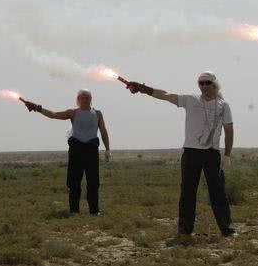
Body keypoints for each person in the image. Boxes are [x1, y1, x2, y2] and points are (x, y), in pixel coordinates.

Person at [125, 72, 236, 244]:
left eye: (208, 83)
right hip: (191, 153)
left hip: (212, 154)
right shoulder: (190, 100)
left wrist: (227, 155)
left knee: (217, 193)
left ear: (214, 84)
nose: (204, 86)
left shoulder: (223, 105)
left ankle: (227, 229)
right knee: (187, 193)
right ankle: (184, 231)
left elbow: (229, 130)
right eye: (201, 83)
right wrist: (143, 88)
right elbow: (165, 95)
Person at [20, 89, 110, 216]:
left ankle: (94, 211)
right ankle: (74, 211)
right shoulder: (72, 113)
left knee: (93, 182)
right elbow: (53, 115)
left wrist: (107, 149)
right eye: (83, 97)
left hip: (91, 149)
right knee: (74, 182)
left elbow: (103, 131)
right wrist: (37, 108)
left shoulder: (97, 113)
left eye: (88, 97)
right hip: (76, 149)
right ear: (78, 99)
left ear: (91, 99)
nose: (85, 99)